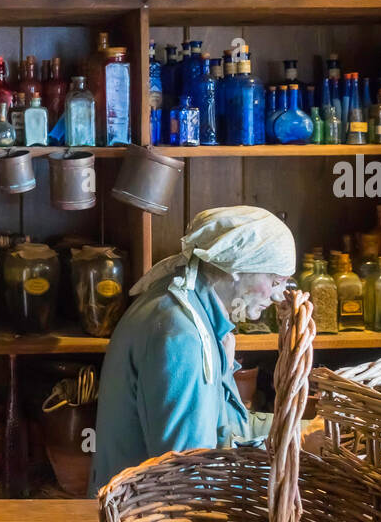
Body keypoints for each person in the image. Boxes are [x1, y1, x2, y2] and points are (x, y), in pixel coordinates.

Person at [88, 206, 295, 496]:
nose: (276, 296)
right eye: (275, 281)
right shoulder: (183, 337)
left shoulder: (187, 306)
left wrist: (300, 432)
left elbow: (228, 428)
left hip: (145, 512)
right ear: (236, 267)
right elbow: (188, 479)